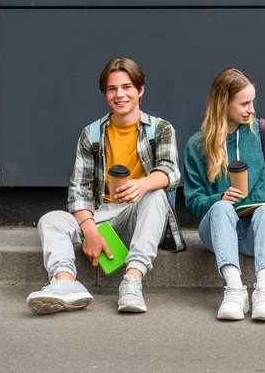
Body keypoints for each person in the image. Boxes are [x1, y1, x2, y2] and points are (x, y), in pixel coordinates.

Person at [26, 57, 184, 314]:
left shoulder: (160, 129)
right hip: (103, 217)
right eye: (112, 89)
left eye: (127, 87)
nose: (120, 94)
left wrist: (142, 184)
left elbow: (170, 172)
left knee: (157, 194)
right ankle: (65, 283)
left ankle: (132, 280)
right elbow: (79, 191)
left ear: (140, 89)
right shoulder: (92, 134)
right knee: (51, 220)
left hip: (141, 217)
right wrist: (90, 230)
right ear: (105, 93)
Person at [184, 68, 265, 322]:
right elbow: (193, 199)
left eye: (253, 102)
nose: (251, 109)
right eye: (244, 103)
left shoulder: (264, 132)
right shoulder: (197, 145)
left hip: (257, 230)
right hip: (218, 230)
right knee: (221, 209)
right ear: (224, 103)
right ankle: (234, 290)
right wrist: (217, 199)